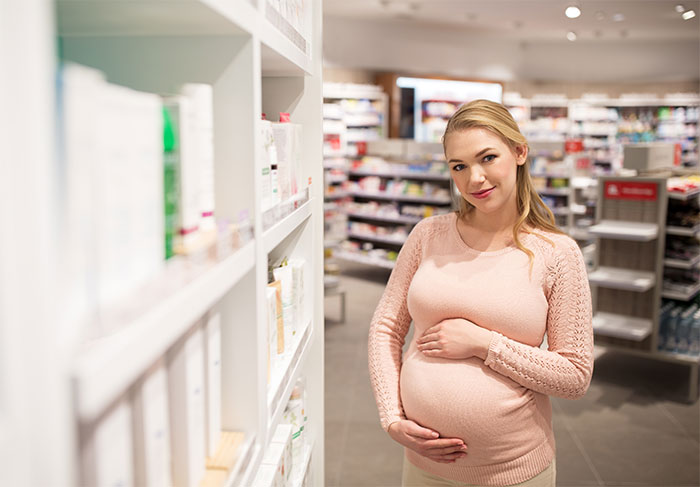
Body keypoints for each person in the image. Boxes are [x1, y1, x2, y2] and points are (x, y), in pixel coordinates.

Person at [368, 99, 594, 487]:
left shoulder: (556, 253)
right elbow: (386, 328)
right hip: (423, 467)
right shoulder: (428, 235)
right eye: (459, 166)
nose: (474, 178)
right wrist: (391, 416)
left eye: (487, 158)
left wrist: (484, 344)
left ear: (519, 151)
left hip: (513, 473)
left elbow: (574, 375)